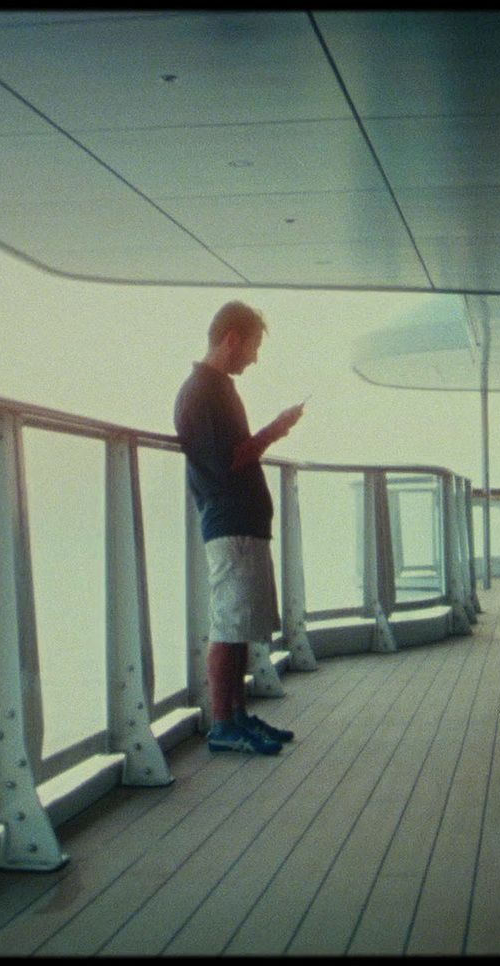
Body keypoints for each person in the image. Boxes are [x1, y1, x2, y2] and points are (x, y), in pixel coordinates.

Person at [174, 300, 304, 755]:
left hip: (242, 524)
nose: (253, 357)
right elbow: (230, 458)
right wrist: (276, 430)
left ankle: (238, 715)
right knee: (229, 626)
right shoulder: (201, 392)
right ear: (232, 338)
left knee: (241, 625)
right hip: (229, 523)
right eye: (252, 346)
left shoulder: (217, 388)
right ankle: (224, 724)